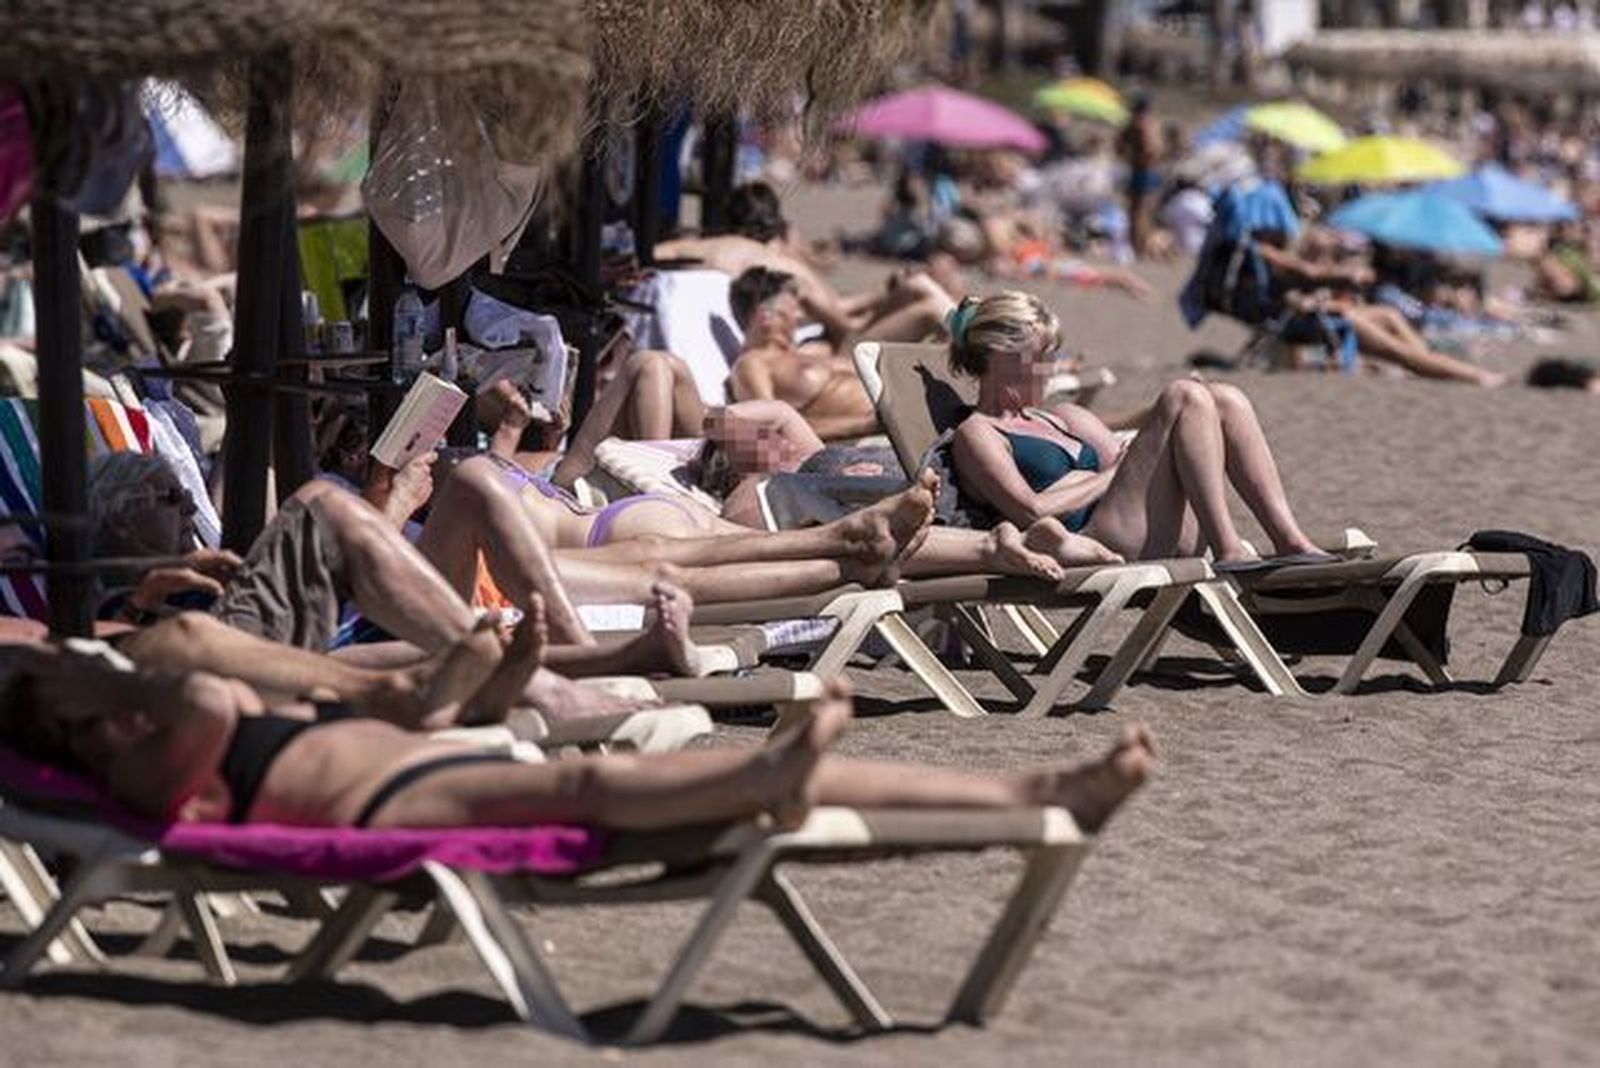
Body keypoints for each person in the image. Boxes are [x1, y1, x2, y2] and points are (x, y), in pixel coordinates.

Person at [0, 636, 1154, 835]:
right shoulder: (135, 765)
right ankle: (763, 774)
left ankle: (1042, 789)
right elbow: (205, 704)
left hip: (426, 761)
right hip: (371, 813)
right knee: (590, 797)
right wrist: (113, 681)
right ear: (61, 731)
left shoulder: (138, 728)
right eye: (57, 690)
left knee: (624, 779)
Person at [945, 292, 1331, 568]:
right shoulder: (978, 433)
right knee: (1183, 395)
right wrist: (1108, 478)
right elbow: (1030, 511)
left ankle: (1290, 541)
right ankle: (1228, 550)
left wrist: (1126, 460)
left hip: (1144, 524)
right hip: (1094, 543)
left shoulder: (1063, 417)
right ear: (999, 358)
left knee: (1223, 397)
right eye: (1043, 357)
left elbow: (1138, 462)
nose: (1056, 367)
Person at [728, 266, 952, 440]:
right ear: (766, 315)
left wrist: (882, 293)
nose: (799, 316)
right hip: (885, 430)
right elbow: (767, 426)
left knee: (925, 297)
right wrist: (868, 425)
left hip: (911, 406)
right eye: (793, 309)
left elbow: (846, 326)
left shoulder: (810, 349)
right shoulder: (753, 363)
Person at [1117, 95, 1164, 259]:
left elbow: (1120, 147)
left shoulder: (1136, 125)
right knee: (1147, 211)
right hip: (1153, 170)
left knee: (1137, 211)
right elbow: (1157, 150)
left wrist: (1132, 156)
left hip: (1141, 170)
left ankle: (1139, 248)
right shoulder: (1153, 124)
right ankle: (1144, 247)